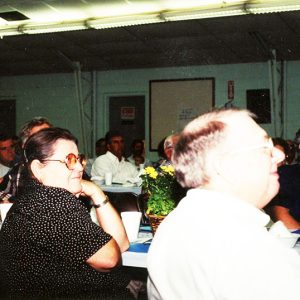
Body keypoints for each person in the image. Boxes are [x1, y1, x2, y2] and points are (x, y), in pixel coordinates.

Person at [147, 108, 300, 300]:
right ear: (225, 165)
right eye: (265, 147)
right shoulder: (245, 245)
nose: (279, 155)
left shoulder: (178, 221)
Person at [0, 127, 133, 299]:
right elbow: (109, 259)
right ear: (38, 168)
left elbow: (121, 245)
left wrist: (96, 192)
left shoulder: (37, 199)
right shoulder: (50, 201)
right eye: (69, 160)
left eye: (79, 159)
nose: (78, 166)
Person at [0, 117, 52, 200]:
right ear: (25, 145)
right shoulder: (17, 171)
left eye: (50, 136)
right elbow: (3, 194)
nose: (47, 141)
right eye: (40, 137)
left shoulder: (70, 165)